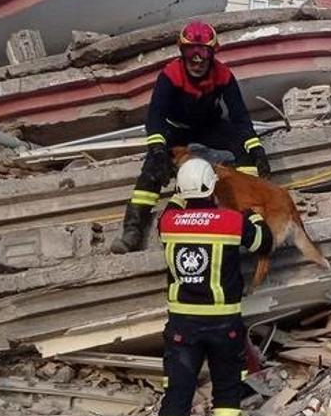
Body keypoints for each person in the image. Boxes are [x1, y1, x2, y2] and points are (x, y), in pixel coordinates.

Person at [112, 21, 271, 254]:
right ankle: (132, 230)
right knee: (152, 170)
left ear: (212, 54)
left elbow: (239, 115)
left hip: (211, 126)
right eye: (191, 54)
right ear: (182, 52)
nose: (197, 61)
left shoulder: (223, 74)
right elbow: (155, 116)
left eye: (203, 54)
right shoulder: (170, 75)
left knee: (246, 154)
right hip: (176, 129)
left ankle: (251, 213)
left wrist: (256, 148)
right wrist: (157, 150)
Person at [155, 158, 273, 416]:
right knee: (227, 392)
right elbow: (263, 242)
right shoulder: (231, 222)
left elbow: (172, 207)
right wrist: (251, 214)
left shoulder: (169, 223)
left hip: (182, 326)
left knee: (177, 394)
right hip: (224, 325)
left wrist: (179, 195)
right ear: (212, 189)